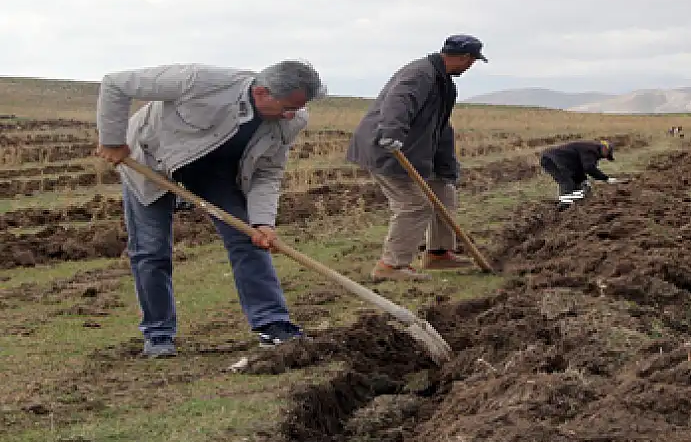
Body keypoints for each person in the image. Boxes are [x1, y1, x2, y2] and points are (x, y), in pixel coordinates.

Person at [95, 61, 326, 358]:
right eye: (286, 107)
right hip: (152, 163)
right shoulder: (198, 81)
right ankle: (159, 335)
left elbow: (267, 173)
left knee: (249, 239)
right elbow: (115, 82)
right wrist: (112, 140)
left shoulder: (291, 120)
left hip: (216, 175)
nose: (291, 115)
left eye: (298, 108)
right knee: (151, 251)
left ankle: (272, 324)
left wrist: (263, 222)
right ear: (261, 92)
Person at [347, 34, 486, 281]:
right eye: (472, 61)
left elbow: (441, 127)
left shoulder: (444, 83)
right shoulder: (421, 74)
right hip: (388, 148)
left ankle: (438, 254)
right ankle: (391, 266)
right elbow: (398, 101)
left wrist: (446, 167)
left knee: (444, 193)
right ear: (465, 58)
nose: (470, 66)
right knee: (414, 205)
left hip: (416, 150)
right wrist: (392, 133)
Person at [539, 139, 626, 209]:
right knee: (567, 182)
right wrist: (606, 179)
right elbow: (589, 168)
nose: (602, 158)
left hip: (555, 159)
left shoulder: (589, 149)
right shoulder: (591, 150)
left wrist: (584, 180)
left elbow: (579, 168)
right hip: (551, 159)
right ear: (605, 149)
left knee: (577, 183)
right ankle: (563, 206)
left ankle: (574, 201)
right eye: (606, 156)